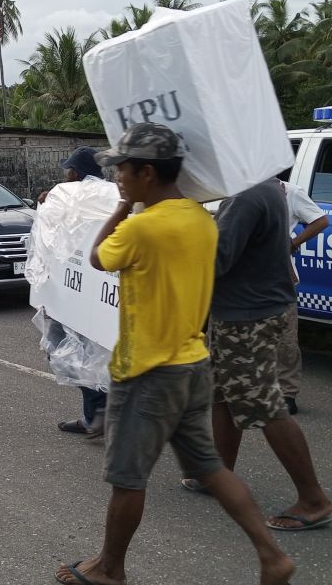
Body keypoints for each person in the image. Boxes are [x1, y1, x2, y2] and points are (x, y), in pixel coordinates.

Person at [55, 124, 294, 585]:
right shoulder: (202, 219)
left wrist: (124, 208)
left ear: (147, 172)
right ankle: (271, 555)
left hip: (146, 369)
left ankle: (109, 567)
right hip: (191, 362)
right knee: (209, 466)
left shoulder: (143, 227)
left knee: (127, 476)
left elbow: (99, 257)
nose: (117, 178)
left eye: (122, 169)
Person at [202, 176, 332, 533]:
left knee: (262, 404)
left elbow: (215, 261)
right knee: (223, 395)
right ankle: (219, 474)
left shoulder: (245, 195)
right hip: (245, 308)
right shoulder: (268, 187)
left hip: (247, 315)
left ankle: (313, 499)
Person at [45, 146, 109, 439]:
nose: (65, 174)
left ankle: (96, 413)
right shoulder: (110, 195)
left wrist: (48, 204)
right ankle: (94, 413)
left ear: (77, 172)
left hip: (72, 289)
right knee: (90, 351)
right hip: (94, 290)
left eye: (68, 169)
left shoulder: (67, 197)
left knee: (66, 349)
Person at [280, 177, 329, 415]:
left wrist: (294, 242)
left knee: (286, 338)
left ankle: (287, 393)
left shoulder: (290, 192)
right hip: (250, 274)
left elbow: (320, 220)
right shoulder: (242, 190)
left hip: (280, 276)